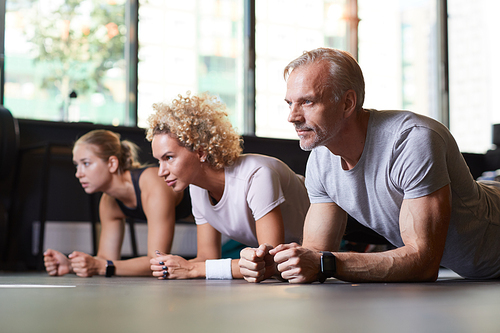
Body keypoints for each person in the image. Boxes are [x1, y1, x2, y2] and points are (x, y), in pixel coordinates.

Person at [240, 47, 500, 283]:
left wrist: (325, 263)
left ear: (348, 103)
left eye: (307, 101)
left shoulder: (413, 139)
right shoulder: (321, 159)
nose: (292, 117)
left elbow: (423, 263)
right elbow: (314, 254)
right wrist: (277, 264)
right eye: (290, 103)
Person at [147, 92, 310, 281]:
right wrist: (175, 265)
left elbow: (271, 263)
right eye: (159, 161)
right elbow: (207, 259)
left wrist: (192, 269)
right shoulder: (197, 187)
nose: (161, 172)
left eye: (168, 158)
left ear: (200, 152)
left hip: (338, 230)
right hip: (292, 257)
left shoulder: (257, 175)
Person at [43, 129, 191, 277]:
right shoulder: (108, 202)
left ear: (112, 163)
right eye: (77, 165)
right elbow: (106, 259)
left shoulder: (152, 184)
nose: (78, 173)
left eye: (86, 163)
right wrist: (71, 265)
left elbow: (158, 261)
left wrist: (101, 266)